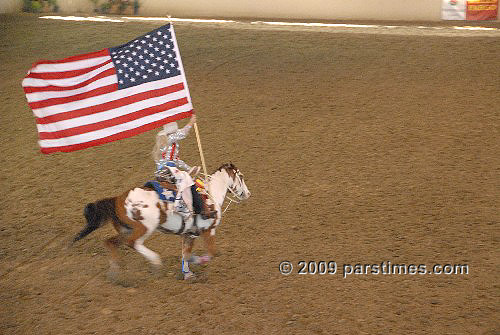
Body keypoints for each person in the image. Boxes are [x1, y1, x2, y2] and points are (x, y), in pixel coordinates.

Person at [152, 115, 216, 220]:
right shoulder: (170, 139)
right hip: (168, 170)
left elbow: (177, 161)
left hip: (166, 170)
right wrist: (191, 122)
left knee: (186, 178)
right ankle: (188, 208)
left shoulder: (170, 143)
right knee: (188, 181)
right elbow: (183, 134)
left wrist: (189, 168)